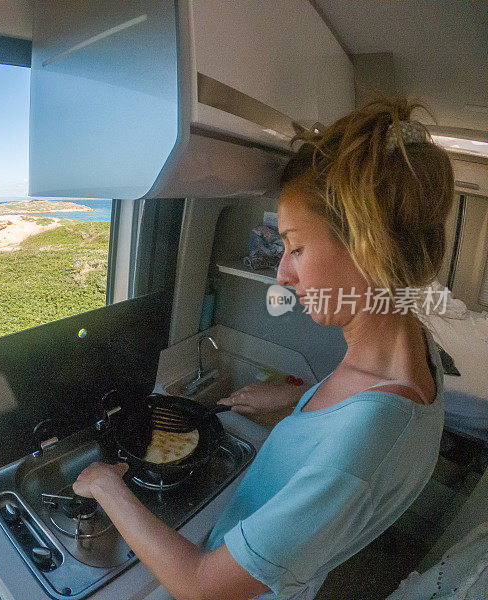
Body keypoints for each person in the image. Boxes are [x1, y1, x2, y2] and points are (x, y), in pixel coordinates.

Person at [73, 96, 454, 600]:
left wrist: (106, 486)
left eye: (296, 248)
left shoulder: (368, 435)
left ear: (370, 247)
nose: (282, 273)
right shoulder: (414, 359)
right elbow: (355, 412)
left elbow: (202, 585)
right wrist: (293, 405)